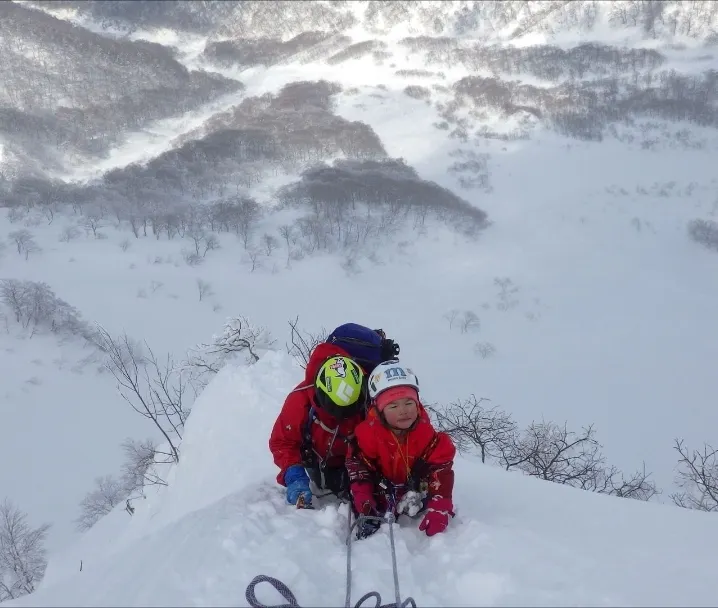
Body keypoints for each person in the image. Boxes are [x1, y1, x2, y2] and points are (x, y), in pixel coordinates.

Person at [269, 324, 400, 508]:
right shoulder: (301, 400)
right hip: (317, 462)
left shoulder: (374, 400)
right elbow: (283, 441)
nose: (342, 417)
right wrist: (294, 474)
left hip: (358, 464)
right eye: (335, 409)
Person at [345, 359, 456, 539]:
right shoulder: (368, 435)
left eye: (409, 403)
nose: (403, 411)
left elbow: (441, 467)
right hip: (381, 492)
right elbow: (359, 469)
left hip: (414, 493)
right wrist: (364, 503)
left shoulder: (425, 434)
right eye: (393, 406)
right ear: (379, 410)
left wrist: (440, 506)